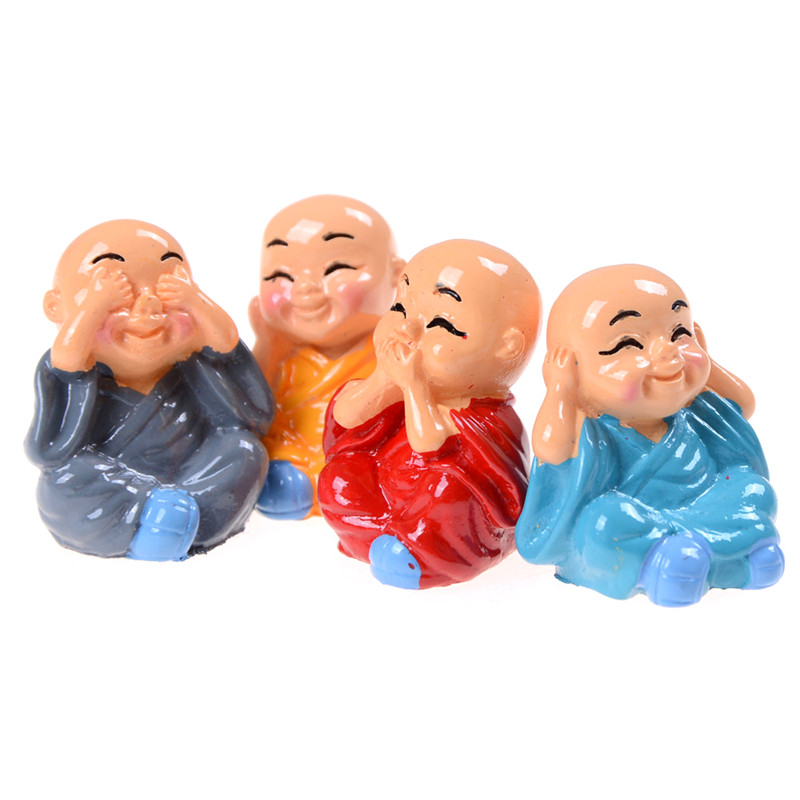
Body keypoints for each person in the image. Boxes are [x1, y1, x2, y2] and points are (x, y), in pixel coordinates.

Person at [515, 264, 784, 606]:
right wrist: (560, 391)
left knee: (753, 488)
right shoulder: (592, 429)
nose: (667, 352)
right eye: (629, 343)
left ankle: (696, 561)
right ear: (575, 369)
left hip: (705, 507)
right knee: (604, 521)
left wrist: (706, 363)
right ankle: (676, 562)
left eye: (679, 333)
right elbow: (551, 450)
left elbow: (743, 405)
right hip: (641, 521)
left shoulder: (694, 412)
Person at [25, 220, 274, 561]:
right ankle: (152, 523)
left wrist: (195, 302)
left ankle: (185, 526)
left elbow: (226, 348)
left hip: (192, 474)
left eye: (168, 291)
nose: (148, 306)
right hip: (114, 489)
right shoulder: (72, 373)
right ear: (56, 308)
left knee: (245, 451)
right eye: (121, 297)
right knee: (65, 482)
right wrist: (95, 307)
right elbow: (65, 375)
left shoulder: (193, 360)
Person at [318, 239, 541, 589]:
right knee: (338, 477)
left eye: (441, 324)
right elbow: (345, 420)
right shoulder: (397, 378)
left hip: (441, 515)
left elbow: (433, 447)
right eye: (399, 308)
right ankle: (376, 540)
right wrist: (383, 379)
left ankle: (421, 558)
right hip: (389, 493)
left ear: (506, 348)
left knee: (447, 489)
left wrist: (414, 386)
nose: (407, 330)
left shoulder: (488, 417)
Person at [249, 195, 404, 520]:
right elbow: (253, 405)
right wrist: (266, 345)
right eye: (279, 275)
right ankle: (295, 484)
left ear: (397, 276)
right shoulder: (284, 352)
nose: (305, 287)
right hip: (292, 449)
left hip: (364, 455)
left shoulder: (388, 349)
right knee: (273, 462)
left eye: (336, 268)